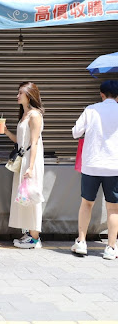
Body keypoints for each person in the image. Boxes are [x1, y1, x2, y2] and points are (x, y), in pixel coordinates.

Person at [71, 80, 118, 260]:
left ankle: (82, 242)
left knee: (86, 203)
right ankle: (111, 248)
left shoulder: (91, 109)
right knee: (113, 209)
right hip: (114, 166)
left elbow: (76, 132)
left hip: (91, 164)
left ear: (101, 94)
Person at [1, 82, 45, 249]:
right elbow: (21, 142)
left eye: (20, 93)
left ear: (29, 95)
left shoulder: (35, 115)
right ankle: (29, 233)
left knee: (31, 196)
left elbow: (34, 143)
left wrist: (31, 167)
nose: (17, 96)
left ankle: (35, 238)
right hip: (24, 158)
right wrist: (5, 131)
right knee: (24, 196)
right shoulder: (25, 114)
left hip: (30, 160)